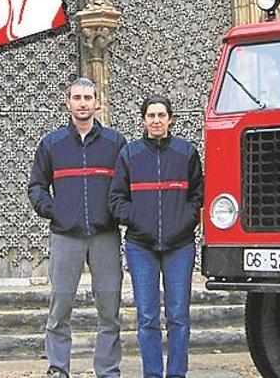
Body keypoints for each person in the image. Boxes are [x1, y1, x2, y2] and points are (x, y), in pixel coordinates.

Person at [28, 77, 127, 378]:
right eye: (77, 97)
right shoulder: (52, 144)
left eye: (88, 97)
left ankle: (108, 370)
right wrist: (55, 211)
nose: (83, 103)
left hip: (105, 236)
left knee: (109, 308)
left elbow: (125, 186)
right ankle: (58, 368)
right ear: (67, 103)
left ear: (98, 103)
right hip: (65, 236)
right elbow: (36, 187)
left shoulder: (115, 143)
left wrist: (116, 213)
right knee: (60, 307)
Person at [109, 95, 204, 378]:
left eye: (161, 115)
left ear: (170, 119)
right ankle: (152, 374)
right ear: (143, 120)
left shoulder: (186, 152)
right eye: (151, 116)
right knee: (147, 317)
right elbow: (116, 200)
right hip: (141, 246)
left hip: (180, 246)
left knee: (178, 317)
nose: (156, 120)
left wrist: (184, 222)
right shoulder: (130, 154)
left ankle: (176, 374)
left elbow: (198, 195)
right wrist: (137, 220)